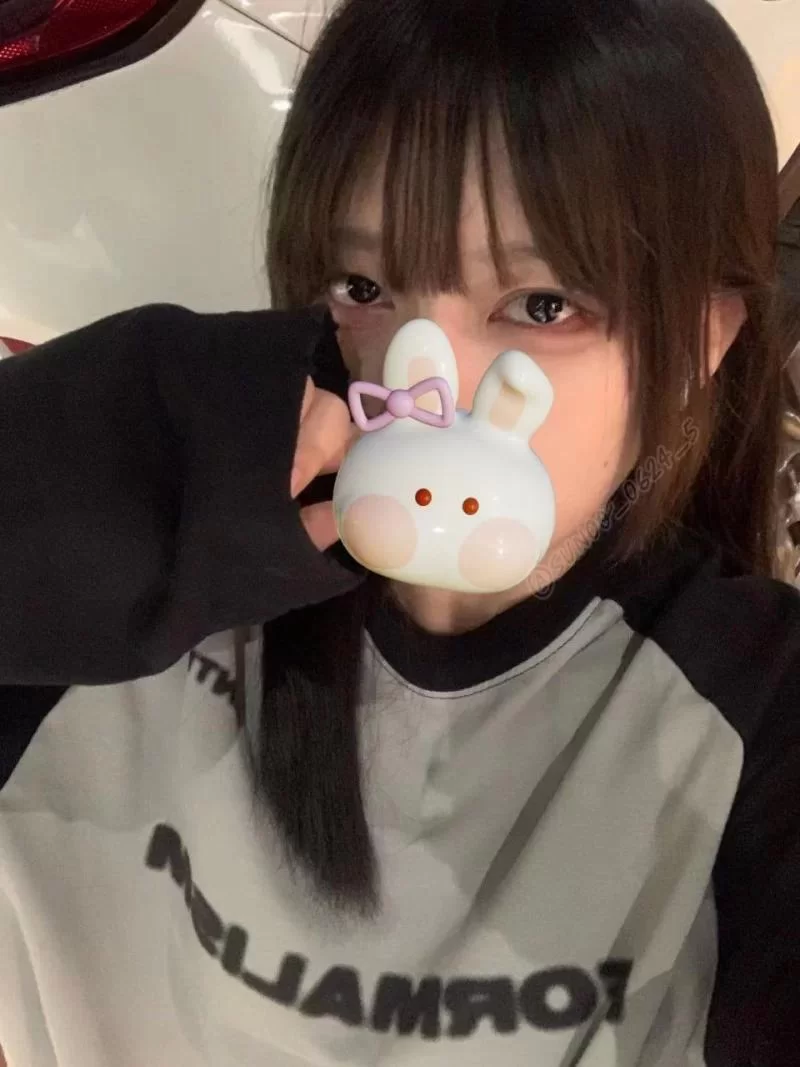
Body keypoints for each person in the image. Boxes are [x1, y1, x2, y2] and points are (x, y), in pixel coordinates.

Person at [0, 0, 798, 1064]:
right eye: (364, 287)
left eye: (543, 305)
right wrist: (142, 444)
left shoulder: (752, 706)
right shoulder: (144, 577)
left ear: (702, 341)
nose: (431, 387)